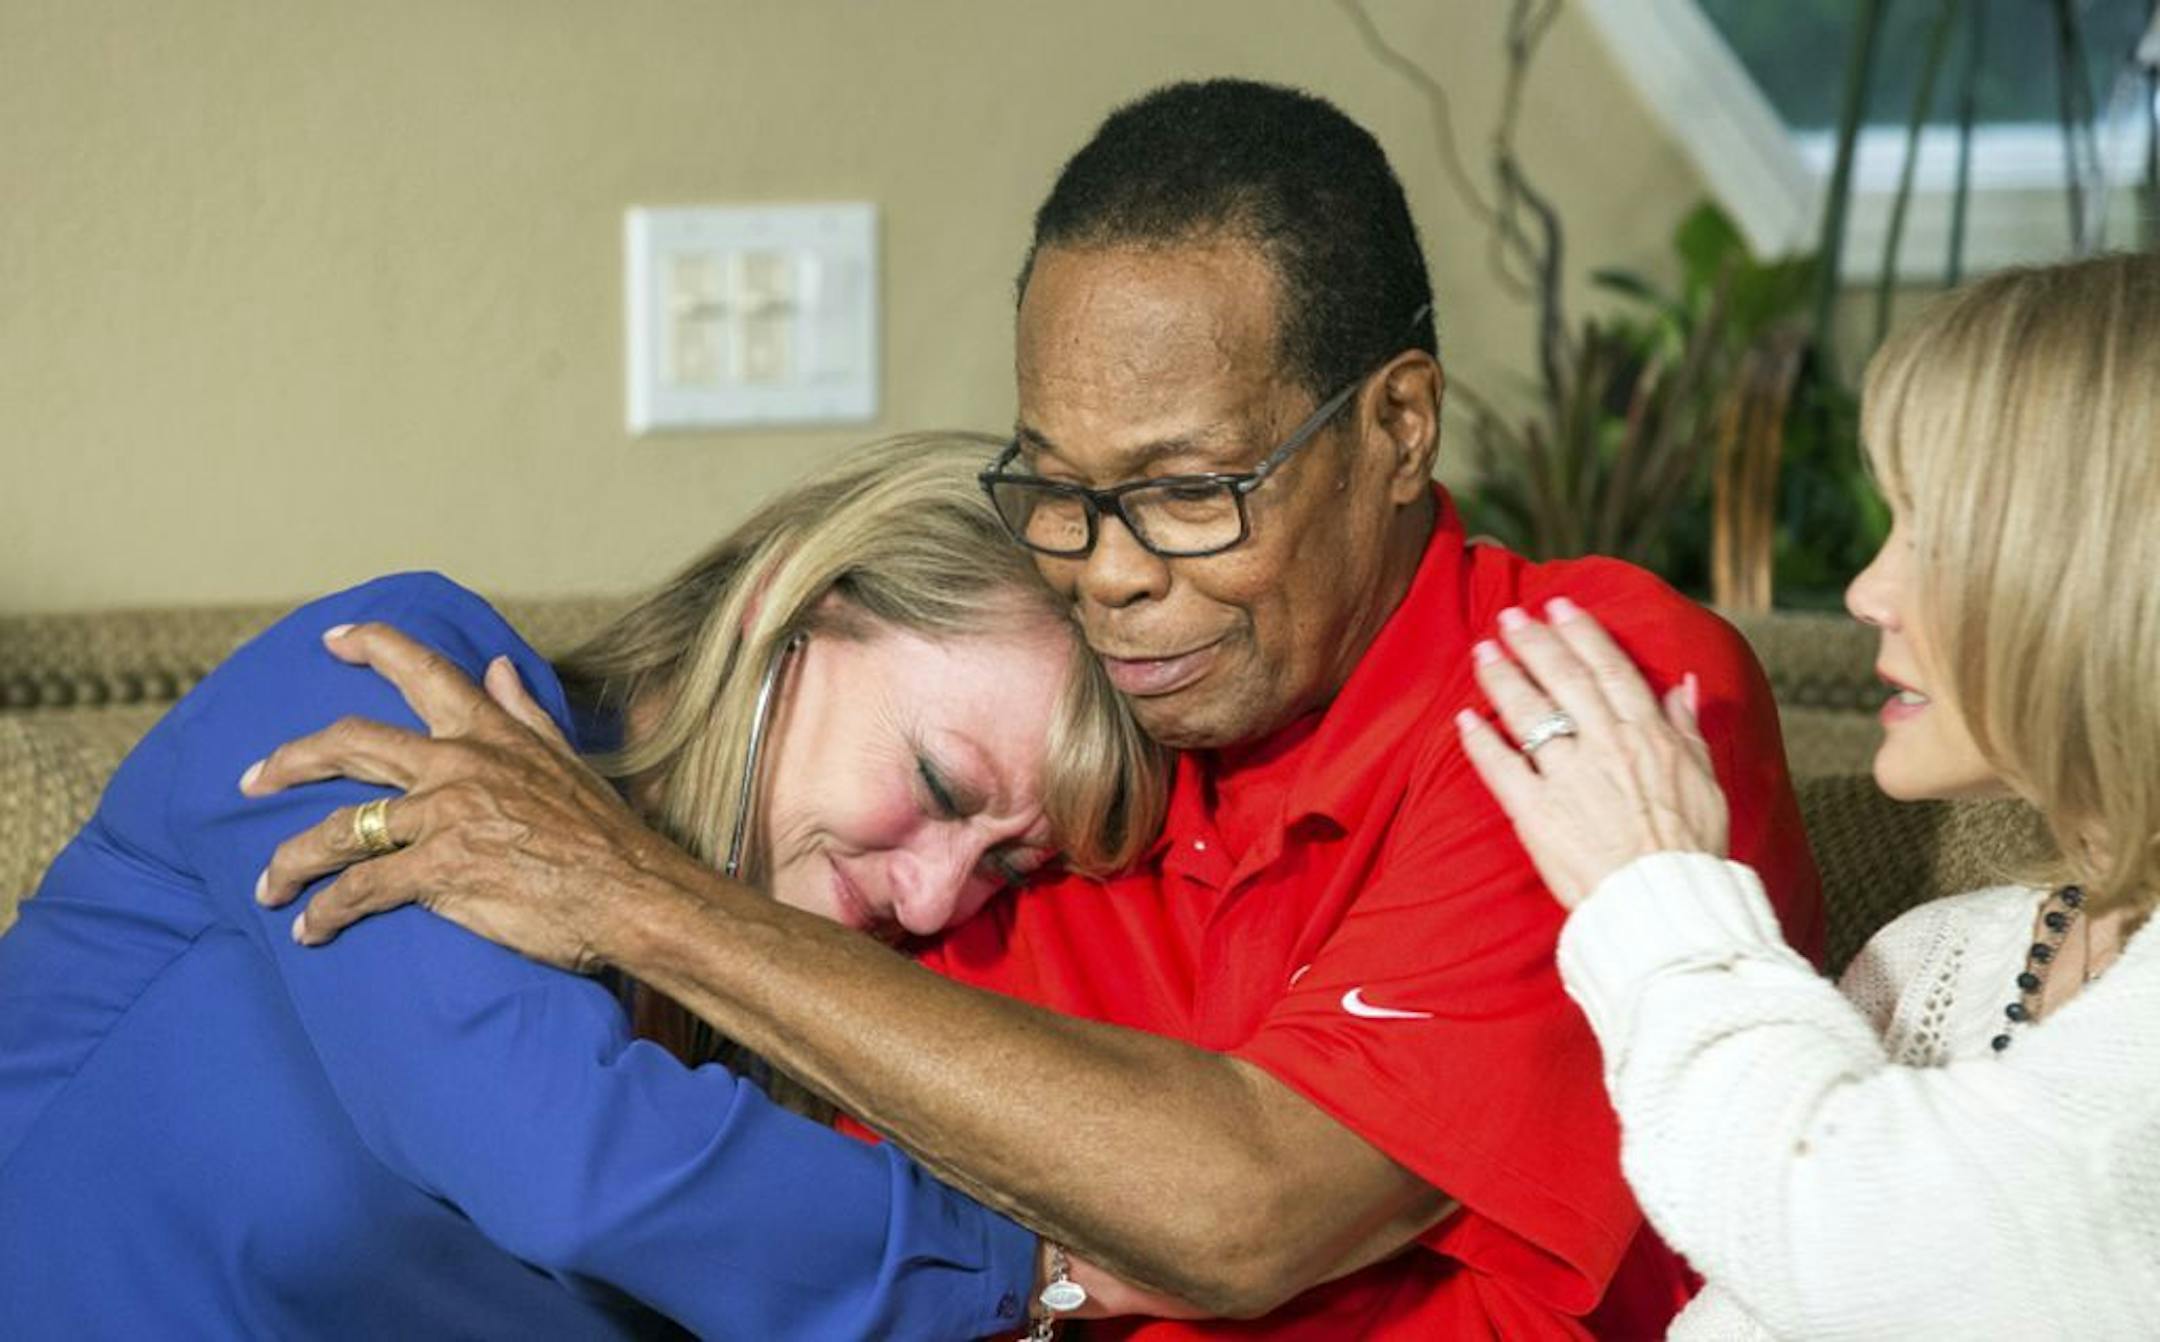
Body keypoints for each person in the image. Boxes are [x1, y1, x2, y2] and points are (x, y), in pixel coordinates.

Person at [251, 81, 1824, 1337]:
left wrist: (635, 896)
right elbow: (800, 1215)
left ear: (1399, 425)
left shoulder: (1582, 688)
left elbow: (1246, 1210)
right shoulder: (1069, 766)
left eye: (1191, 491)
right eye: (1061, 489)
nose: (1110, 573)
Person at [0, 435, 1168, 1338]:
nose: (934, 898)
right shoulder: (404, 685)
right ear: (789, 603)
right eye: (940, 784)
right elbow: (566, 1166)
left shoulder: (799, 1026)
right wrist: (1027, 1262)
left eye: (1005, 862)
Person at [1455, 251, 2160, 1338]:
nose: (1867, 591)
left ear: (2110, 575)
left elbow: (1877, 1257)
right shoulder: (1928, 963)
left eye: (1935, 536)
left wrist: (1656, 889)